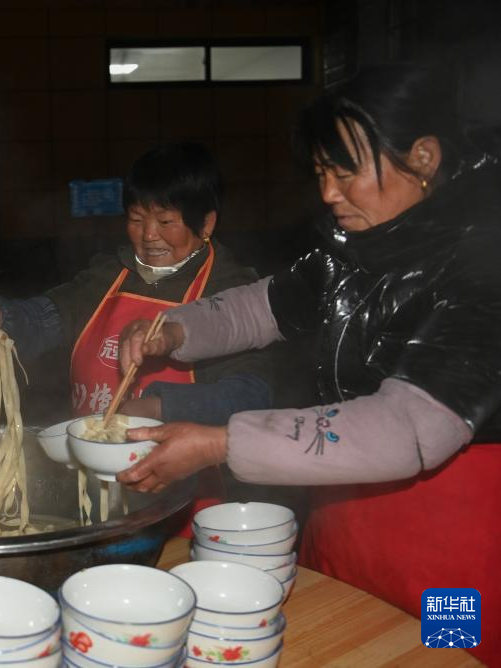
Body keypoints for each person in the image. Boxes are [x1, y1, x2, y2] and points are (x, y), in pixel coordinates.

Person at [118, 64, 500, 665]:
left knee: (442, 659)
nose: (327, 193)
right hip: (344, 520)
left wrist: (219, 443)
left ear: (423, 157)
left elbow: (406, 428)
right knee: (333, 644)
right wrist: (172, 330)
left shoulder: (486, 261)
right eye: (321, 173)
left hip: (450, 542)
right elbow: (260, 306)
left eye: (345, 172)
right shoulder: (361, 243)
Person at [0, 143, 278, 426]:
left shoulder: (232, 290)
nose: (148, 236)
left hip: (190, 486)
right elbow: (46, 319)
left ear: (206, 222)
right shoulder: (108, 274)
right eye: (136, 220)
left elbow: (250, 394)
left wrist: (158, 408)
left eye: (165, 221)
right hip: (95, 476)